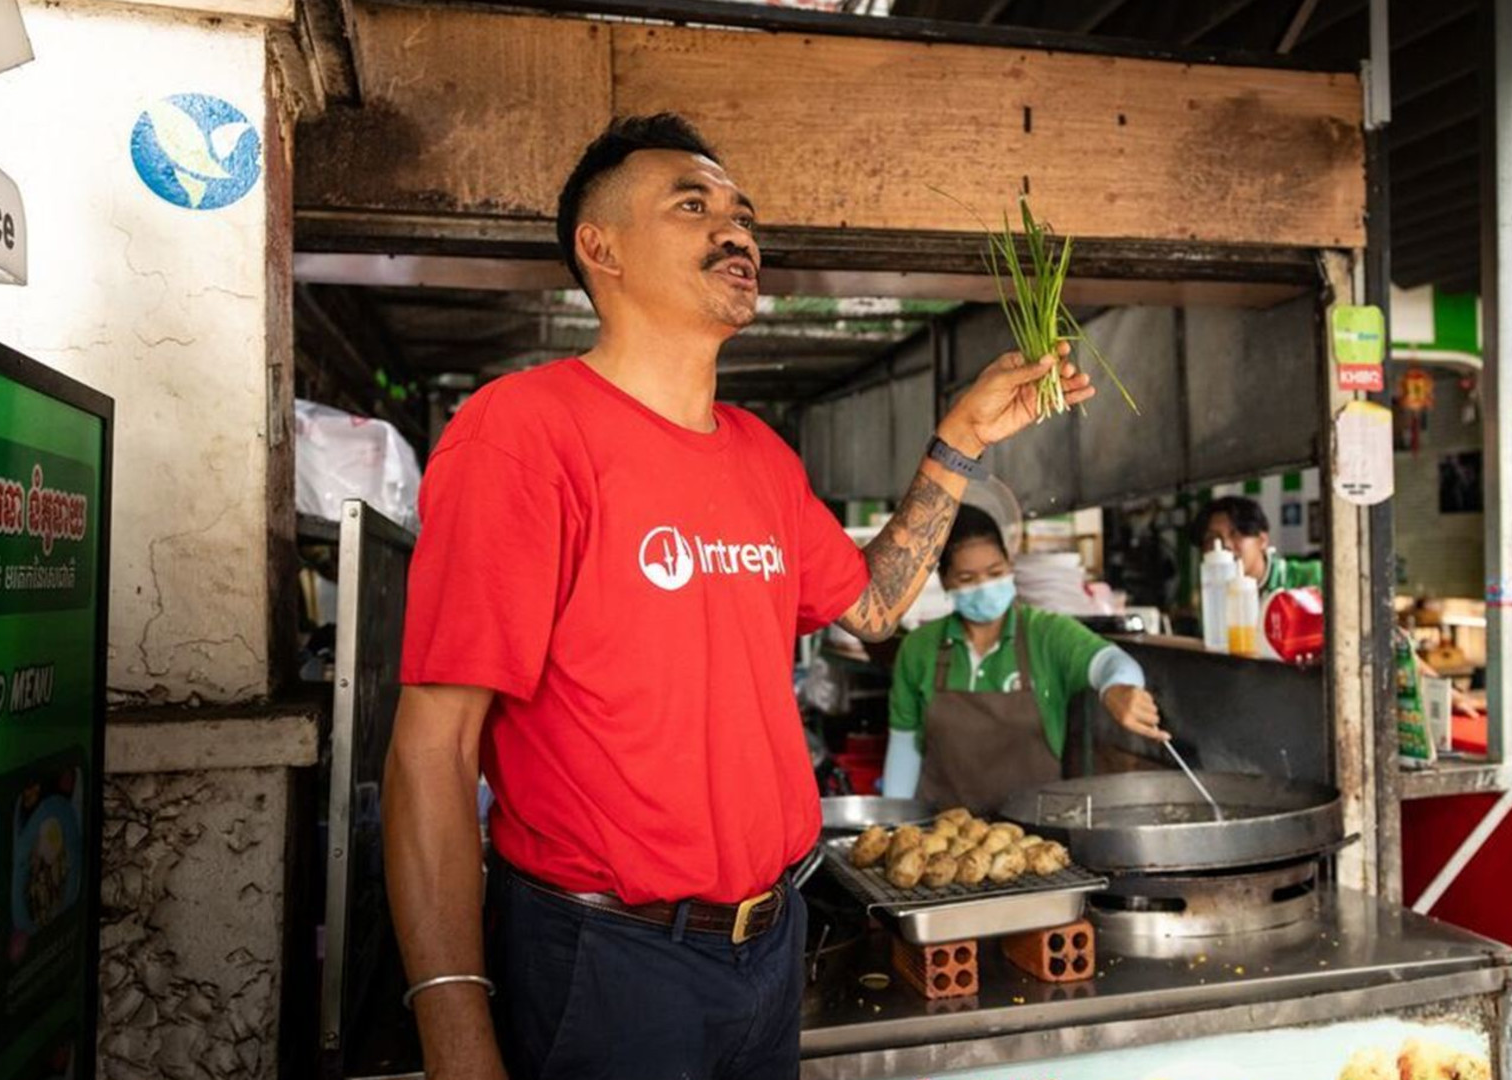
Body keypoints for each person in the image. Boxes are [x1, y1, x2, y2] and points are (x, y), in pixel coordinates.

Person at [381, 113, 1095, 1080]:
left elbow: (873, 608)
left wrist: (960, 440)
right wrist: (454, 1033)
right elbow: (432, 747)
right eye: (694, 205)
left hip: (767, 946)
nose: (737, 232)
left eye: (743, 214)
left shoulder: (760, 455)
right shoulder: (523, 435)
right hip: (607, 960)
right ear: (601, 250)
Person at [880, 507, 1164, 813]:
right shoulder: (919, 648)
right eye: (967, 578)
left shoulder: (1046, 633)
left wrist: (1118, 688)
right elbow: (904, 745)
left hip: (1033, 833)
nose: (985, 586)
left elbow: (1112, 662)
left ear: (1010, 566)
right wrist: (892, 821)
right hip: (942, 835)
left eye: (995, 572)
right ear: (945, 581)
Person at [1192, 495, 1323, 595]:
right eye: (1212, 538)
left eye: (1235, 534)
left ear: (1262, 540)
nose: (1225, 545)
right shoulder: (1213, 594)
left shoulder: (1312, 577)